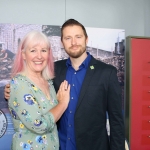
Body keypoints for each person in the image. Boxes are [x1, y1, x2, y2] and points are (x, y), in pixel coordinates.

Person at [5, 19, 125, 150]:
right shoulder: (54, 70)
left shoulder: (106, 73)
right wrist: (10, 90)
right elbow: (31, 89)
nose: (74, 42)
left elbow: (116, 121)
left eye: (78, 37)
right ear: (62, 43)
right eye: (68, 38)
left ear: (86, 39)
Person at [6, 31, 70, 150]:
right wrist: (62, 104)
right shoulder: (19, 83)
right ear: (24, 54)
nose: (39, 56)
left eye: (43, 50)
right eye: (33, 50)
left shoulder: (49, 83)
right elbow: (39, 124)